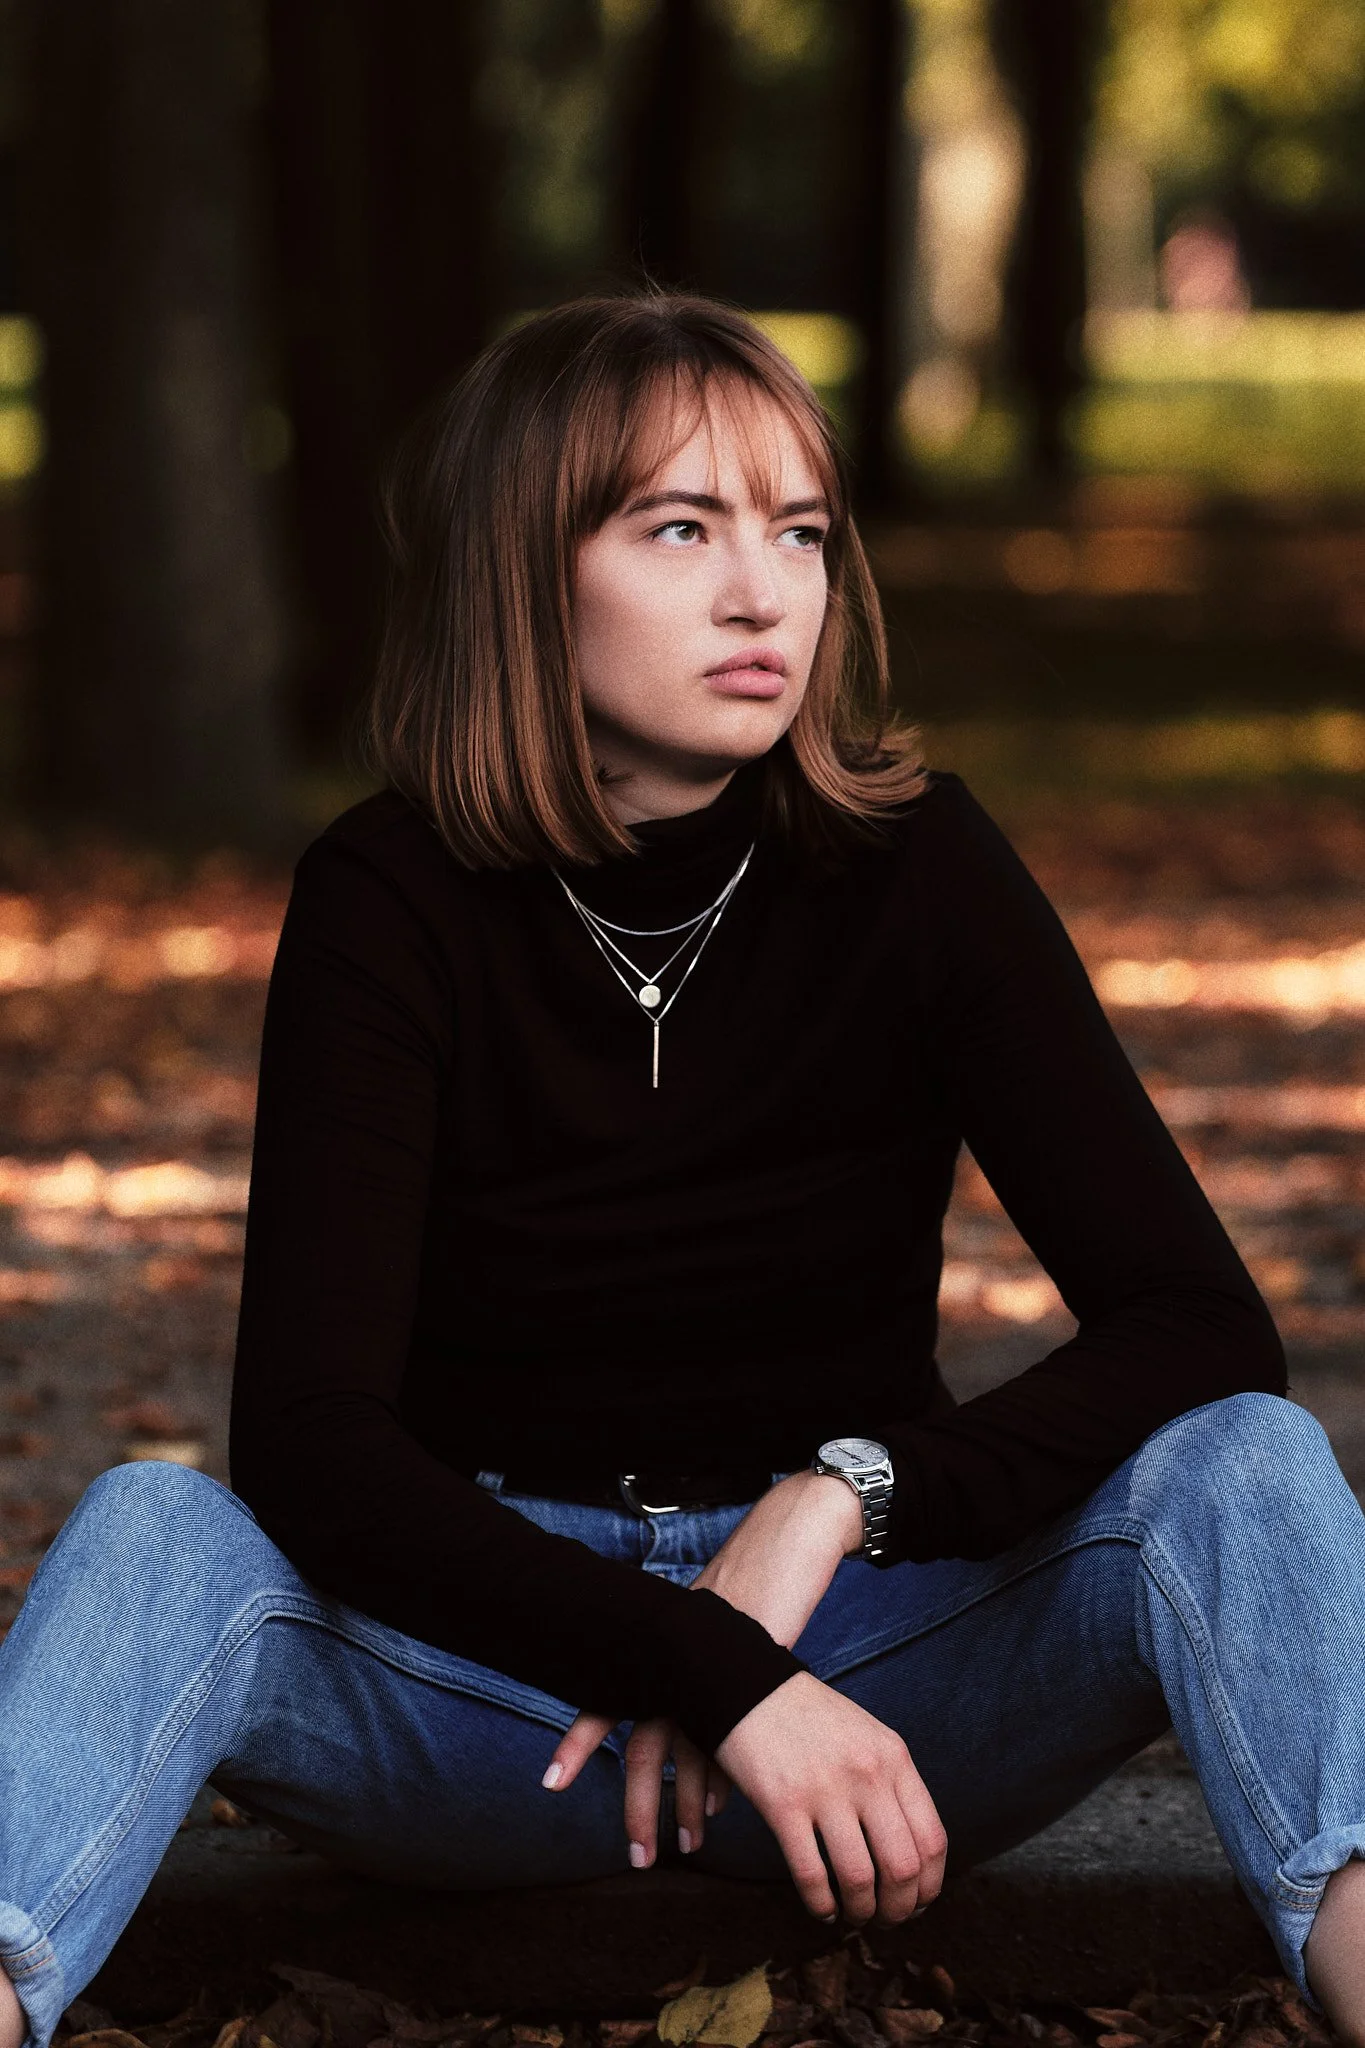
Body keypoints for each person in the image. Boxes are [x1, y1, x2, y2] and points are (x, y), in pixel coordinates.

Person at [1, 291, 1364, 2048]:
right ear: (528, 572)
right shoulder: (388, 901)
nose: (762, 591)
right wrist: (712, 1679)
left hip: (876, 1677)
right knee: (155, 1535)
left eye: (798, 530)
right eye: (681, 528)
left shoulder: (916, 867)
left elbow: (1199, 1328)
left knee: (1244, 1468)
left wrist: (840, 1499)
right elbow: (314, 1453)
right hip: (501, 1698)